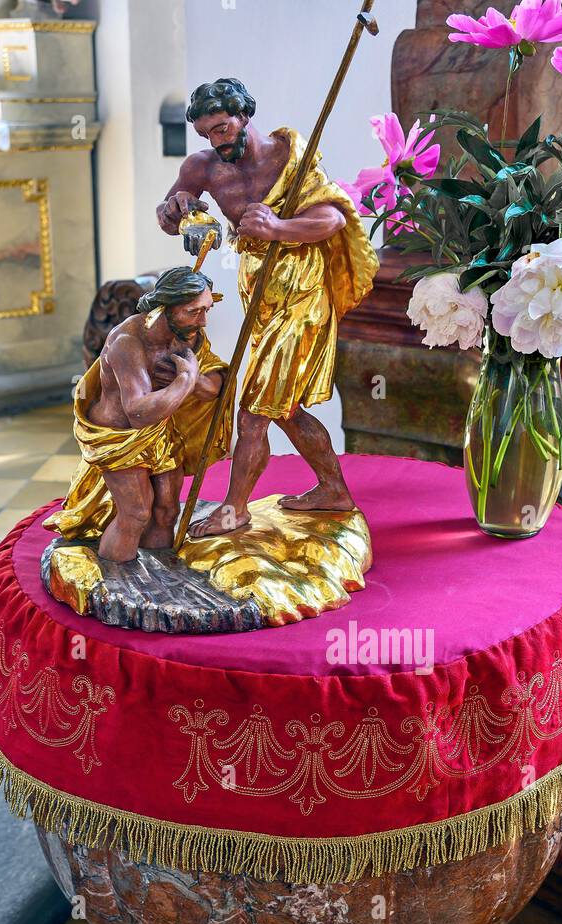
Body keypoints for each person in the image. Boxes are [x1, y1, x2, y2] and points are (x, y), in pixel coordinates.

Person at [156, 77, 378, 537]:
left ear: (243, 117)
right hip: (258, 286)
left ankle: (234, 510)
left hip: (302, 287)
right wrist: (174, 210)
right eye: (206, 134)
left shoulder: (287, 157)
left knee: (253, 408)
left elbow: (332, 217)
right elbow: (170, 216)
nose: (216, 141)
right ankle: (333, 489)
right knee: (286, 406)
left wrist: (278, 226)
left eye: (221, 128)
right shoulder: (203, 167)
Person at [45, 268, 230, 563]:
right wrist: (185, 381)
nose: (203, 320)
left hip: (161, 432)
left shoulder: (187, 335)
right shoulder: (127, 343)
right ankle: (117, 577)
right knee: (136, 513)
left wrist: (194, 379)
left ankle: (159, 574)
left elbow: (214, 387)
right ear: (164, 308)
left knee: (167, 510)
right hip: (120, 438)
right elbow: (138, 412)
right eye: (193, 311)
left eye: (206, 309)